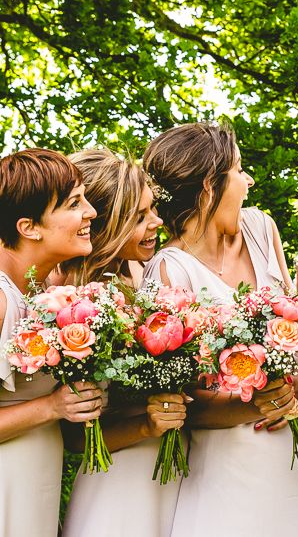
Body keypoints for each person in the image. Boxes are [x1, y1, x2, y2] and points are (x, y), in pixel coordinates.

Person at [142, 122, 298, 537]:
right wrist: (258, 404)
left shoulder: (261, 228)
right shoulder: (168, 269)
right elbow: (182, 401)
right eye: (237, 170)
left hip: (295, 443)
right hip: (227, 459)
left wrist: (296, 386)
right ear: (209, 188)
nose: (247, 180)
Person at [61, 149, 186, 537]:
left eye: (153, 210)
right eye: (140, 217)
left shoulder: (144, 273)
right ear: (105, 223)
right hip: (117, 478)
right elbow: (73, 437)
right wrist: (147, 426)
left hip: (177, 469)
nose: (157, 222)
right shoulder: (68, 300)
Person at [0, 148, 103, 536]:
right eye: (75, 203)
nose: (90, 212)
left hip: (36, 483)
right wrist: (52, 406)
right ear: (29, 227)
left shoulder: (45, 293)